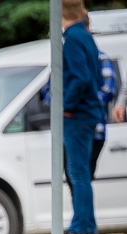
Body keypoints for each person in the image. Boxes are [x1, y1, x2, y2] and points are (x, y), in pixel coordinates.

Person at [42, 10, 117, 188]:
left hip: (89, 126)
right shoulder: (65, 56)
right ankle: (81, 214)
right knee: (74, 177)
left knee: (81, 176)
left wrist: (70, 104)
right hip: (68, 127)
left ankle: (83, 216)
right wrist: (58, 104)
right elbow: (49, 89)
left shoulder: (99, 57)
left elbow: (105, 90)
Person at [61, 0, 104, 234]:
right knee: (81, 172)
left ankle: (82, 226)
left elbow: (81, 78)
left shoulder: (73, 40)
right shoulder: (85, 36)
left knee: (78, 172)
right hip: (88, 112)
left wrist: (65, 106)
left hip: (77, 115)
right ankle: (86, 223)